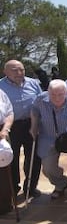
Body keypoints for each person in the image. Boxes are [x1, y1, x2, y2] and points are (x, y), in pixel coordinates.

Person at [30, 79, 67, 199]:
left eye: (60, 94)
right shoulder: (40, 99)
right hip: (48, 136)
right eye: (53, 94)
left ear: (66, 92)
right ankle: (61, 184)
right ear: (48, 92)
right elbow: (34, 111)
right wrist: (34, 125)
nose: (56, 98)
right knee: (47, 168)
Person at [0, 60, 42, 198]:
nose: (19, 73)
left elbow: (41, 101)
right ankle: (14, 187)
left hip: (32, 123)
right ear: (5, 71)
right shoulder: (1, 86)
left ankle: (30, 187)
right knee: (11, 157)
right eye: (14, 70)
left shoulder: (33, 83)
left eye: (21, 69)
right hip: (11, 126)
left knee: (34, 157)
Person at [0, 89, 14, 214]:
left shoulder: (1, 93)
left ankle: (4, 206)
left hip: (1, 133)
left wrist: (5, 130)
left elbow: (9, 113)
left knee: (4, 172)